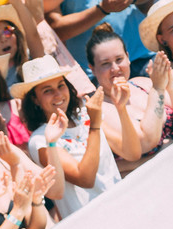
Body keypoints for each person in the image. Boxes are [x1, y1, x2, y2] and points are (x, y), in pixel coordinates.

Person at [86, 25, 173, 174]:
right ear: (92, 69)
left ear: (128, 57)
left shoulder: (142, 83)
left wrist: (169, 83)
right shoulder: (98, 109)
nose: (115, 68)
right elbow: (145, 143)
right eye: (105, 64)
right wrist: (158, 89)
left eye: (119, 59)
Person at [18, 55, 120, 218]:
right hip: (89, 220)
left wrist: (121, 107)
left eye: (61, 85)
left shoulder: (85, 114)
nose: (58, 94)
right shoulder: (40, 140)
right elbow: (85, 179)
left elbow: (131, 151)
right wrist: (94, 125)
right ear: (35, 99)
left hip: (121, 202)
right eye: (47, 90)